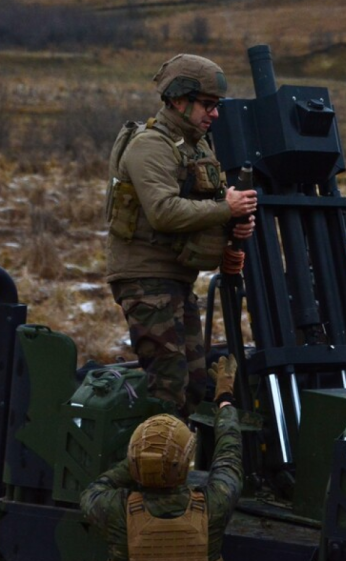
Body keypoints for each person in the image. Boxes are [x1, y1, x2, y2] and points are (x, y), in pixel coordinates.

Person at [105, 54, 257, 415]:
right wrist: (227, 209)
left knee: (193, 386)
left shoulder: (196, 146)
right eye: (207, 104)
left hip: (175, 279)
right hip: (146, 280)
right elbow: (164, 212)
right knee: (169, 387)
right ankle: (151, 464)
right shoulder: (150, 147)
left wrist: (235, 225)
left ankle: (171, 458)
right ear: (177, 99)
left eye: (215, 105)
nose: (214, 114)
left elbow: (206, 207)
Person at [80, 354, 243, 561]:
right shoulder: (215, 505)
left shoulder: (115, 510)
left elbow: (96, 488)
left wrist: (141, 458)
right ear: (184, 463)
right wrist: (224, 399)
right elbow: (229, 454)